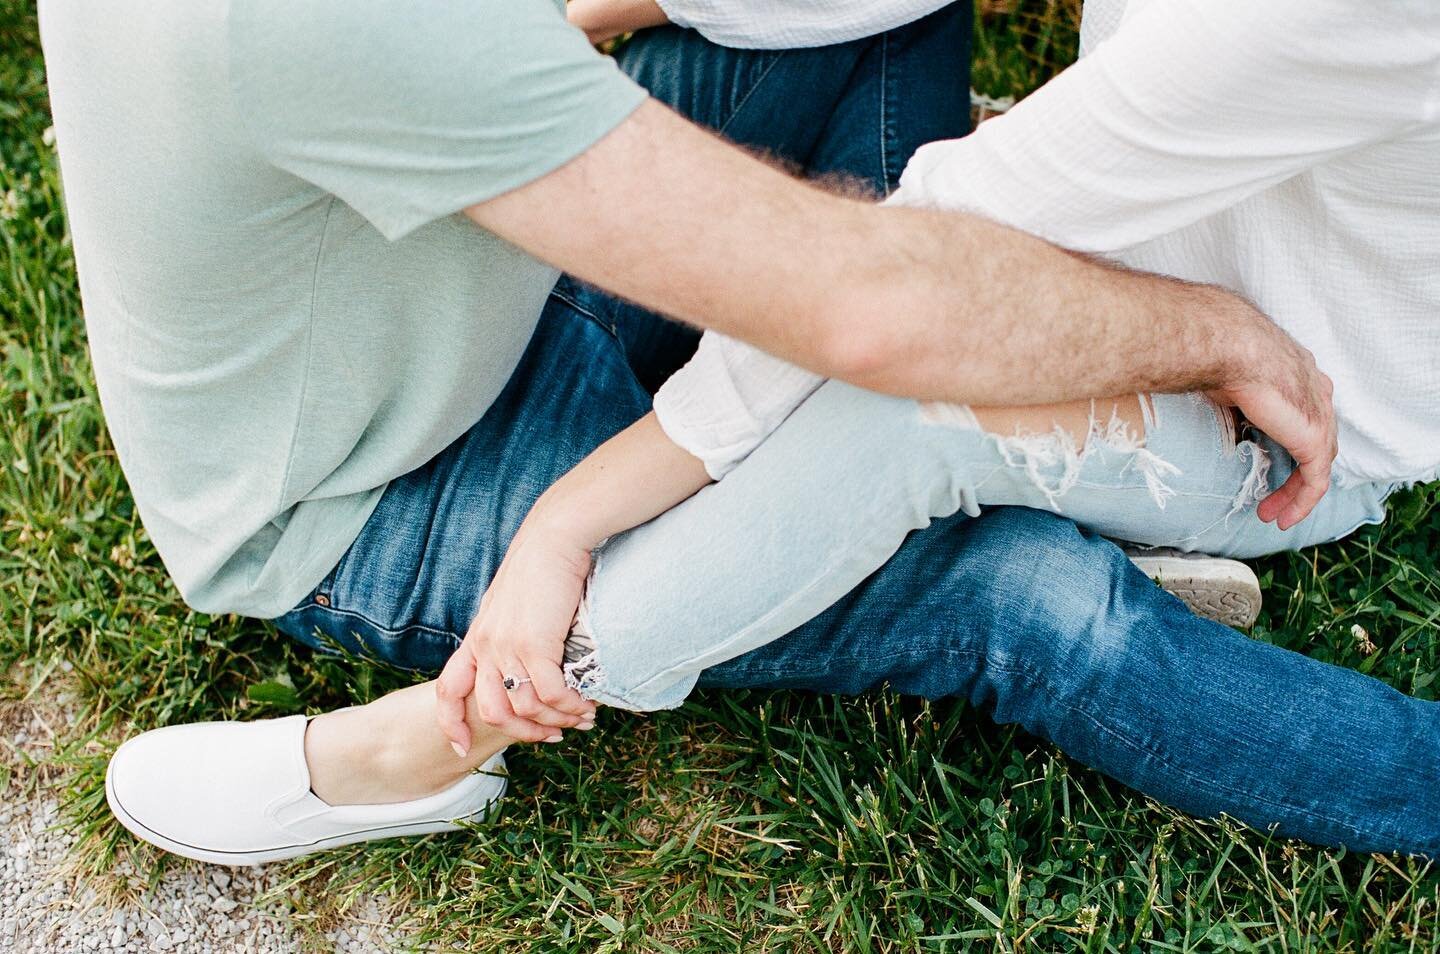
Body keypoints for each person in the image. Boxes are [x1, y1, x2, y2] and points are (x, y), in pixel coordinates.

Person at [31, 0, 1356, 867]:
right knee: (1019, 594)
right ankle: (398, 760)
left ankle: (960, 425)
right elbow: (871, 310)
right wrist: (1216, 334)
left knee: (865, 27)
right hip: (370, 488)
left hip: (493, 268)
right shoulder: (307, 23)